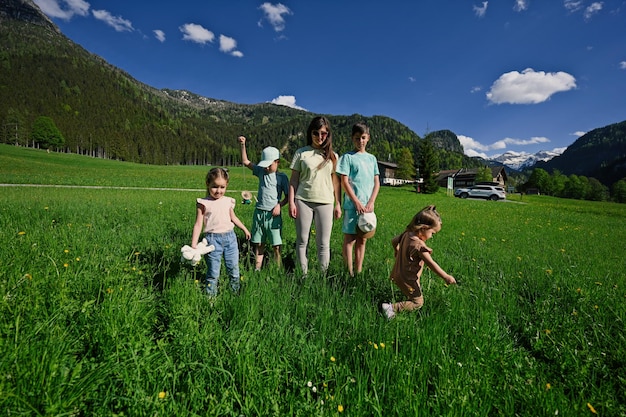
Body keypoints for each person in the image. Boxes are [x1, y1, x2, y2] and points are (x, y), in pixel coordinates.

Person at [382, 205, 456, 319]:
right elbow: (431, 264)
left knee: (411, 294)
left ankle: (403, 301)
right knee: (418, 303)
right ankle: (391, 308)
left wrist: (396, 250)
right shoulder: (419, 246)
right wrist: (446, 277)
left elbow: (394, 241)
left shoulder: (406, 234)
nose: (432, 237)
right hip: (408, 278)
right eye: (432, 233)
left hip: (398, 273)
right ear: (423, 229)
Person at [289, 116, 342, 275]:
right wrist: (291, 202)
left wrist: (338, 203)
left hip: (326, 202)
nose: (320, 137)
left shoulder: (333, 156)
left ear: (328, 135)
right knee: (302, 241)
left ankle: (322, 277)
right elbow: (294, 180)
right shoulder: (301, 153)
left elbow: (336, 183)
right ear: (310, 133)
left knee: (323, 243)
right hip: (303, 200)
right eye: (316, 133)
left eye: (324, 133)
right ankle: (302, 275)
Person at [191, 167, 251, 296]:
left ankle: (234, 295)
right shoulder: (203, 203)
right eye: (215, 187)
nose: (218, 191)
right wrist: (194, 245)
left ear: (226, 185)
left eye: (222, 187)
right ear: (208, 184)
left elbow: (233, 217)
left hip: (230, 239)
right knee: (213, 273)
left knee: (234, 270)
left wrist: (244, 229)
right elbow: (198, 224)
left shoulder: (228, 201)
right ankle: (210, 299)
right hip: (212, 241)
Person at [238, 135, 289, 270]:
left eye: (269, 165)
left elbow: (288, 197)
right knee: (259, 243)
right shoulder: (261, 171)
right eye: (264, 165)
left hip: (273, 215)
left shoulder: (282, 178)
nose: (266, 168)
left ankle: (277, 269)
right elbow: (245, 161)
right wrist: (243, 145)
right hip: (259, 212)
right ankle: (257, 269)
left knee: (276, 245)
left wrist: (279, 205)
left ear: (277, 162)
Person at [336, 122, 380, 276]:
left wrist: (371, 202)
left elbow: (376, 182)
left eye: (363, 137)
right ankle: (348, 272)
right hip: (352, 206)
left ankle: (358, 272)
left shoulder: (372, 159)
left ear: (368, 138)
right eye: (357, 138)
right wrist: (355, 201)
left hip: (368, 208)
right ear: (352, 138)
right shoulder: (347, 158)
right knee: (350, 240)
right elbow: (344, 181)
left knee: (363, 240)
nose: (360, 141)